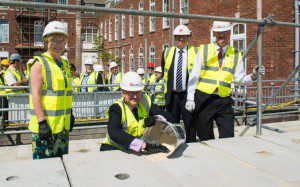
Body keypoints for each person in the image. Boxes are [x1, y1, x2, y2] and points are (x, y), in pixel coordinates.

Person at [186, 21, 266, 141]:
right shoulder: (204, 50)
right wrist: (190, 98)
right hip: (203, 99)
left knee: (228, 137)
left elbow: (239, 79)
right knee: (205, 137)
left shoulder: (235, 54)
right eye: (218, 33)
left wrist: (253, 76)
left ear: (229, 33)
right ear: (214, 33)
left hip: (223, 100)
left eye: (224, 33)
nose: (221, 36)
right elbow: (194, 76)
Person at [27, 21, 75, 159]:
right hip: (46, 128)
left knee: (62, 165)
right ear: (46, 41)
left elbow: (64, 93)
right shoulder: (38, 64)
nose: (59, 44)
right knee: (45, 170)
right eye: (54, 40)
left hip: (62, 127)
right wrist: (41, 122)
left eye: (62, 40)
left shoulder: (64, 64)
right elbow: (35, 94)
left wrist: (69, 114)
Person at [100, 72, 173, 153]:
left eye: (137, 92)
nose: (135, 96)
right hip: (114, 149)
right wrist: (144, 145)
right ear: (123, 93)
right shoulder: (116, 108)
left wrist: (156, 119)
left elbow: (167, 116)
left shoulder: (145, 101)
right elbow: (114, 132)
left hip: (135, 150)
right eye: (131, 92)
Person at [161, 24, 198, 143]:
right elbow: (164, 72)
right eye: (178, 36)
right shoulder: (167, 52)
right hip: (172, 96)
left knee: (190, 124)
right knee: (172, 124)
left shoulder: (195, 52)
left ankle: (192, 145)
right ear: (174, 37)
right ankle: (173, 145)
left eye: (183, 37)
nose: (180, 39)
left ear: (188, 37)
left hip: (188, 96)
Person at [0, 59, 9, 124]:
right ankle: (4, 123)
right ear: (2, 66)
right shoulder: (3, 73)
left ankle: (5, 122)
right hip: (3, 95)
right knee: (4, 110)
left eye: (7, 66)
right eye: (5, 66)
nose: (6, 67)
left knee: (5, 110)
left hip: (5, 95)